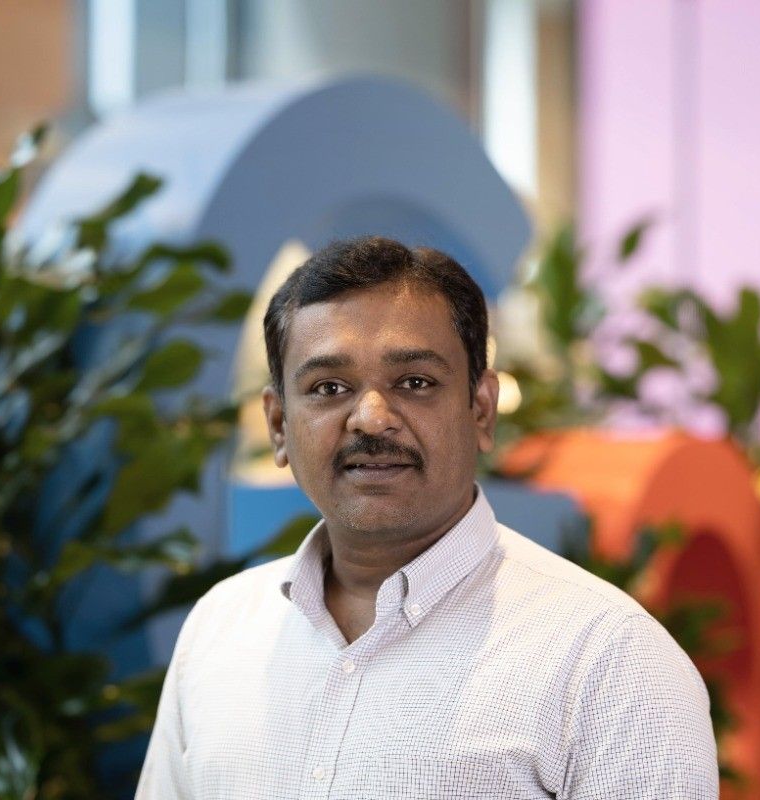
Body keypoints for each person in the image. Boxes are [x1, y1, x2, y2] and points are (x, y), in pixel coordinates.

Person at [136, 236, 718, 799]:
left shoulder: (608, 659)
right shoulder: (219, 630)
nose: (370, 418)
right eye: (329, 387)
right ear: (279, 425)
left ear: (481, 409)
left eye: (415, 383)